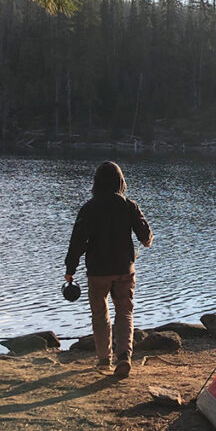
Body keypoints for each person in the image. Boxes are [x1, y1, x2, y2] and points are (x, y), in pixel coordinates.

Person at [65, 161, 153, 378]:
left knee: (100, 313)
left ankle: (104, 359)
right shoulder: (129, 206)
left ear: (96, 182)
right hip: (124, 269)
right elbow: (146, 237)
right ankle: (124, 357)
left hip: (97, 271)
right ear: (120, 181)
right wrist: (146, 239)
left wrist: (70, 269)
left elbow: (77, 241)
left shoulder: (89, 207)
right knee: (124, 312)